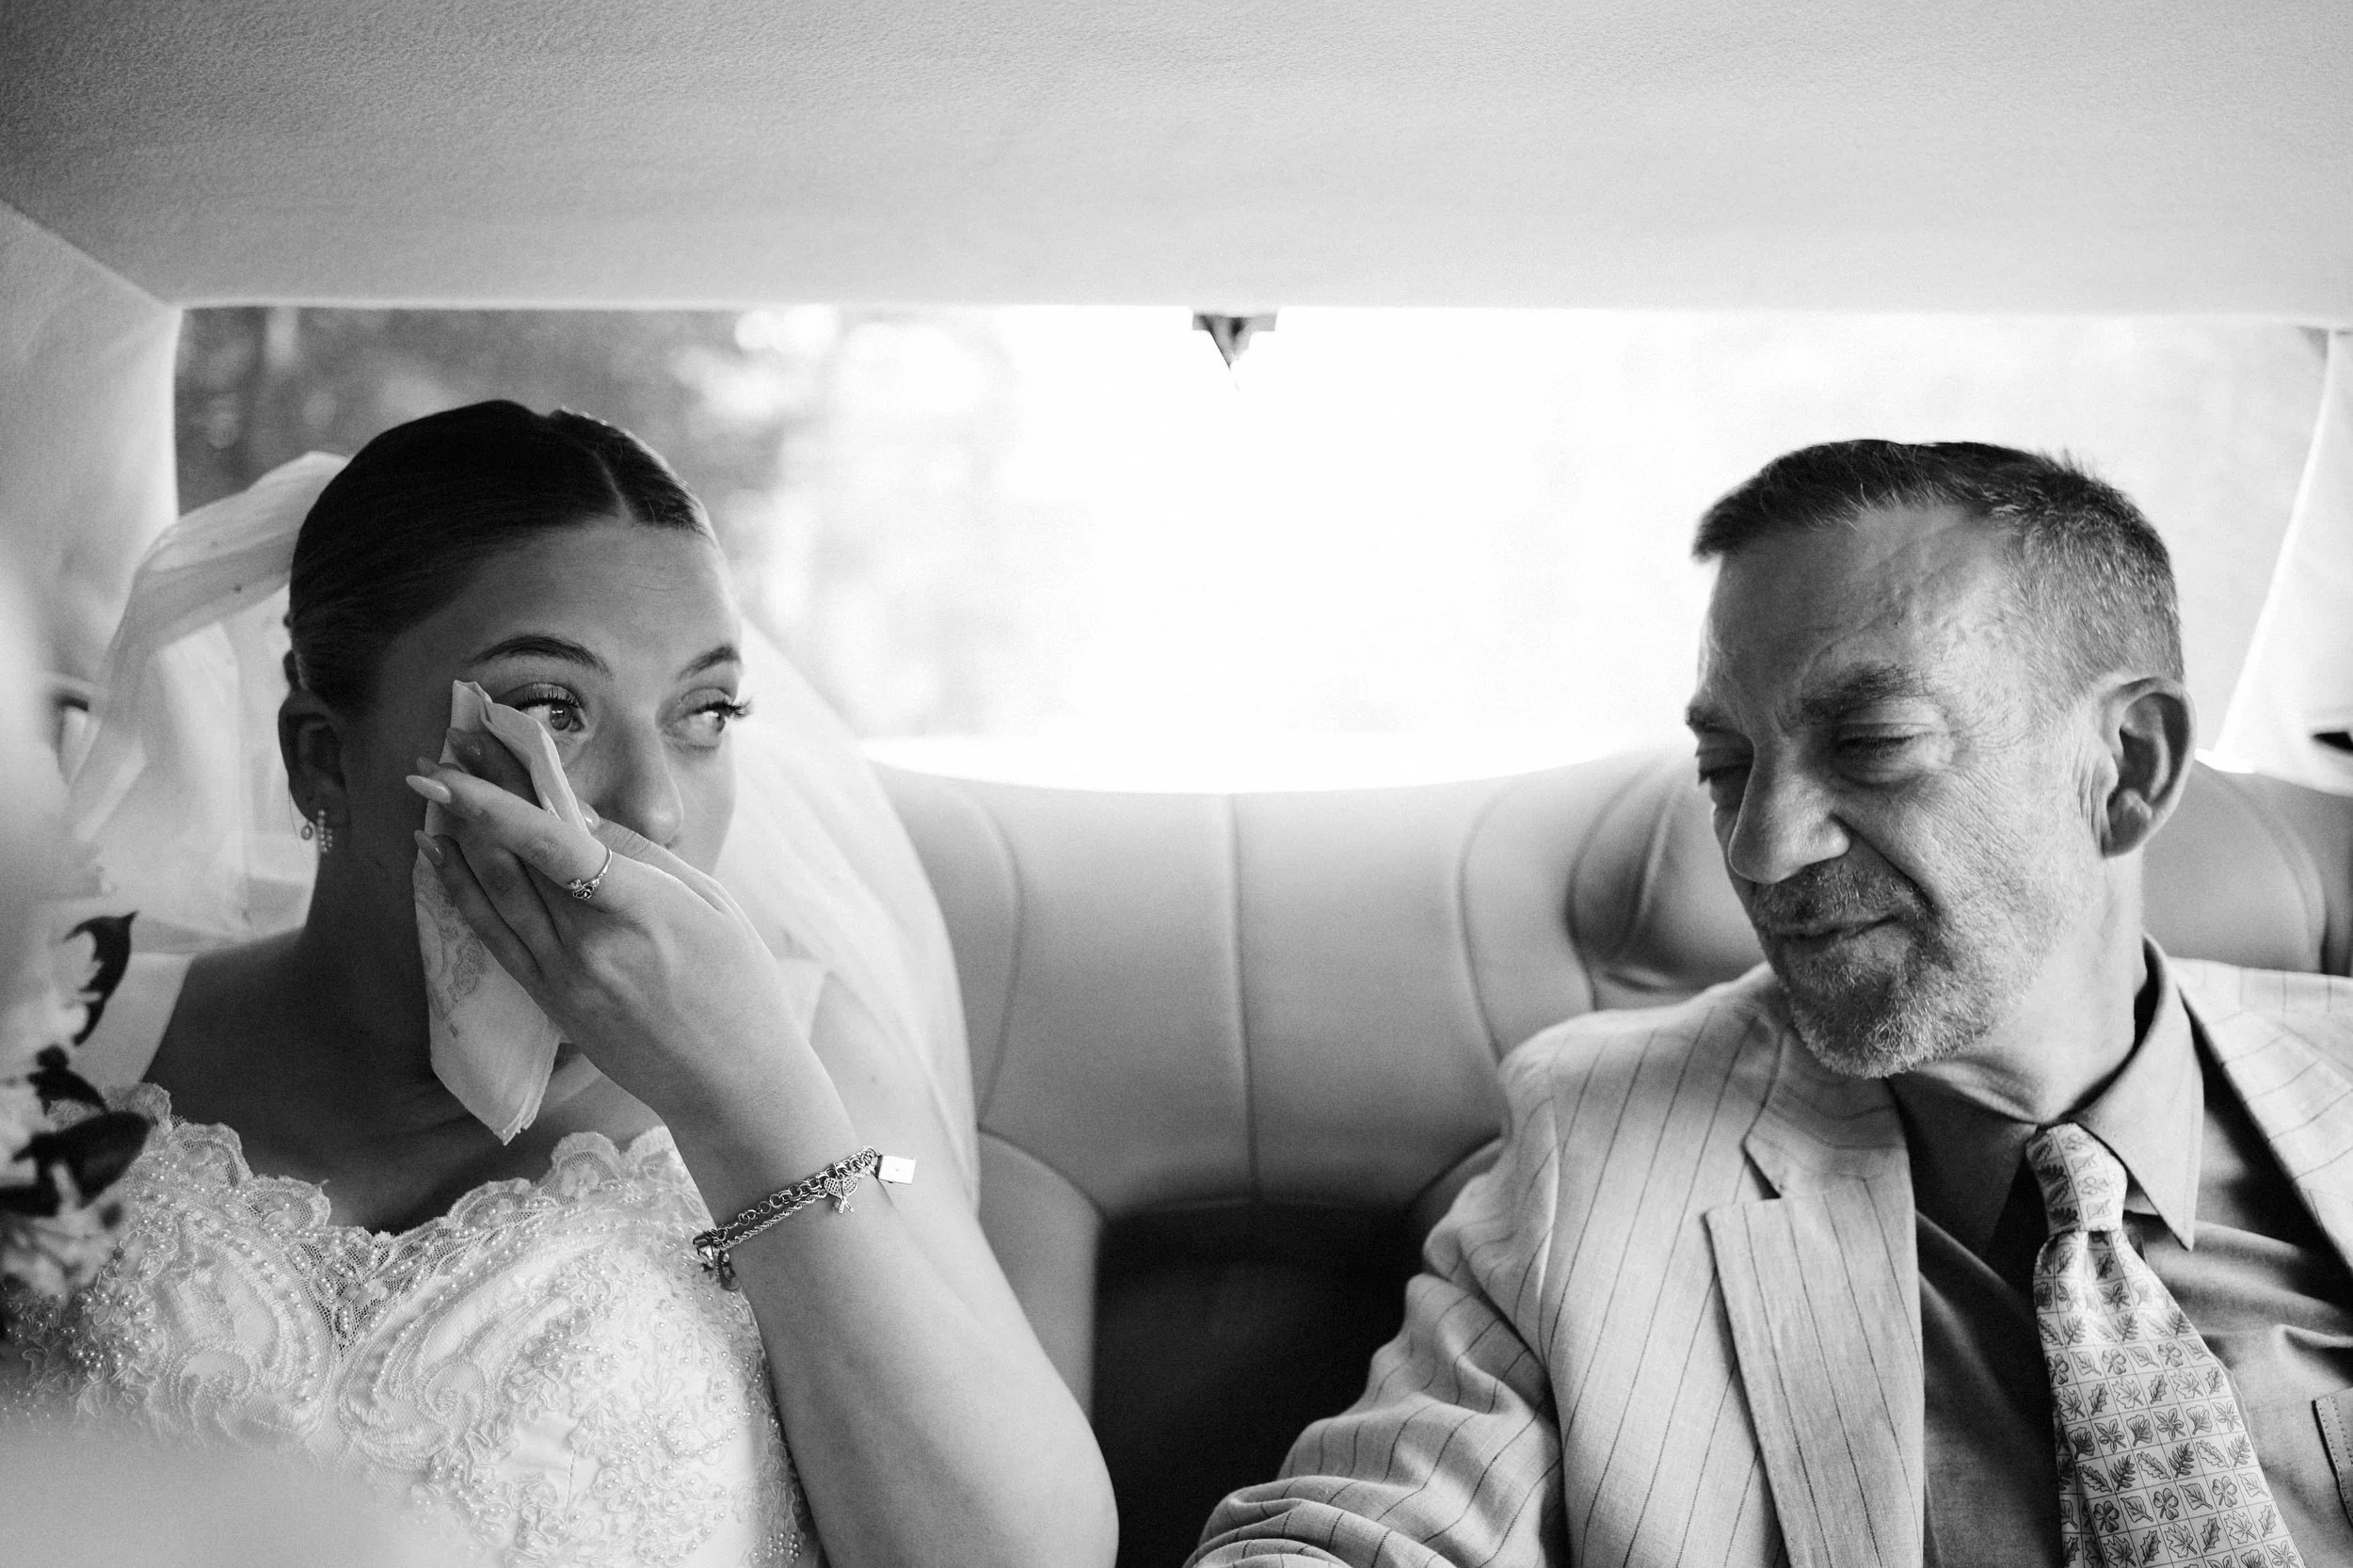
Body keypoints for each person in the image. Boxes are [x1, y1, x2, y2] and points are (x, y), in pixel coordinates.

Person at [1193, 440, 2353, 1568]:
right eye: (1726, 767)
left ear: (2127, 768)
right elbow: (1367, 1530)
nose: (1760, 849)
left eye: (1871, 742)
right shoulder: (1599, 1140)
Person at [2, 401, 1117, 1568]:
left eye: (705, 713)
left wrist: (742, 1102)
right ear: (323, 755)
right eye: (549, 709)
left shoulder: (805, 1046)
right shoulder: (64, 1042)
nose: (655, 808)